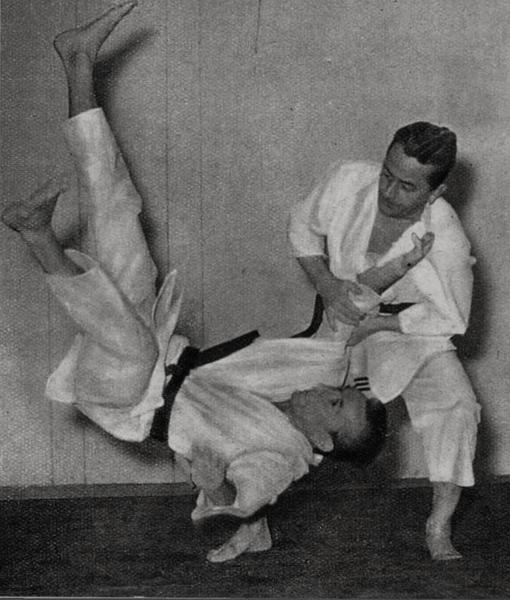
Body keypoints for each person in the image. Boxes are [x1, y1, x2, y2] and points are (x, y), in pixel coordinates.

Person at [2, 2, 432, 563]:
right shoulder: (321, 372)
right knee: (117, 214)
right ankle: (78, 62)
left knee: (130, 346)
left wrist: (219, 488)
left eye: (334, 405)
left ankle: (37, 235)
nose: (332, 389)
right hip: (159, 342)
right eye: (342, 393)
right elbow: (346, 310)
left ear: (321, 441)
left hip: (129, 396)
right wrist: (396, 269)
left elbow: (247, 493)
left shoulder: (281, 457)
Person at [288, 121, 481, 561]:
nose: (389, 192)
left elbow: (453, 318)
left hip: (410, 329)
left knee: (457, 405)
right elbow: (301, 225)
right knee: (284, 401)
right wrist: (326, 284)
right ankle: (252, 521)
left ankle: (439, 524)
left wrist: (379, 326)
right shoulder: (348, 179)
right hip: (344, 313)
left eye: (407, 186)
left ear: (435, 192)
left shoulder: (447, 239)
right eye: (387, 175)